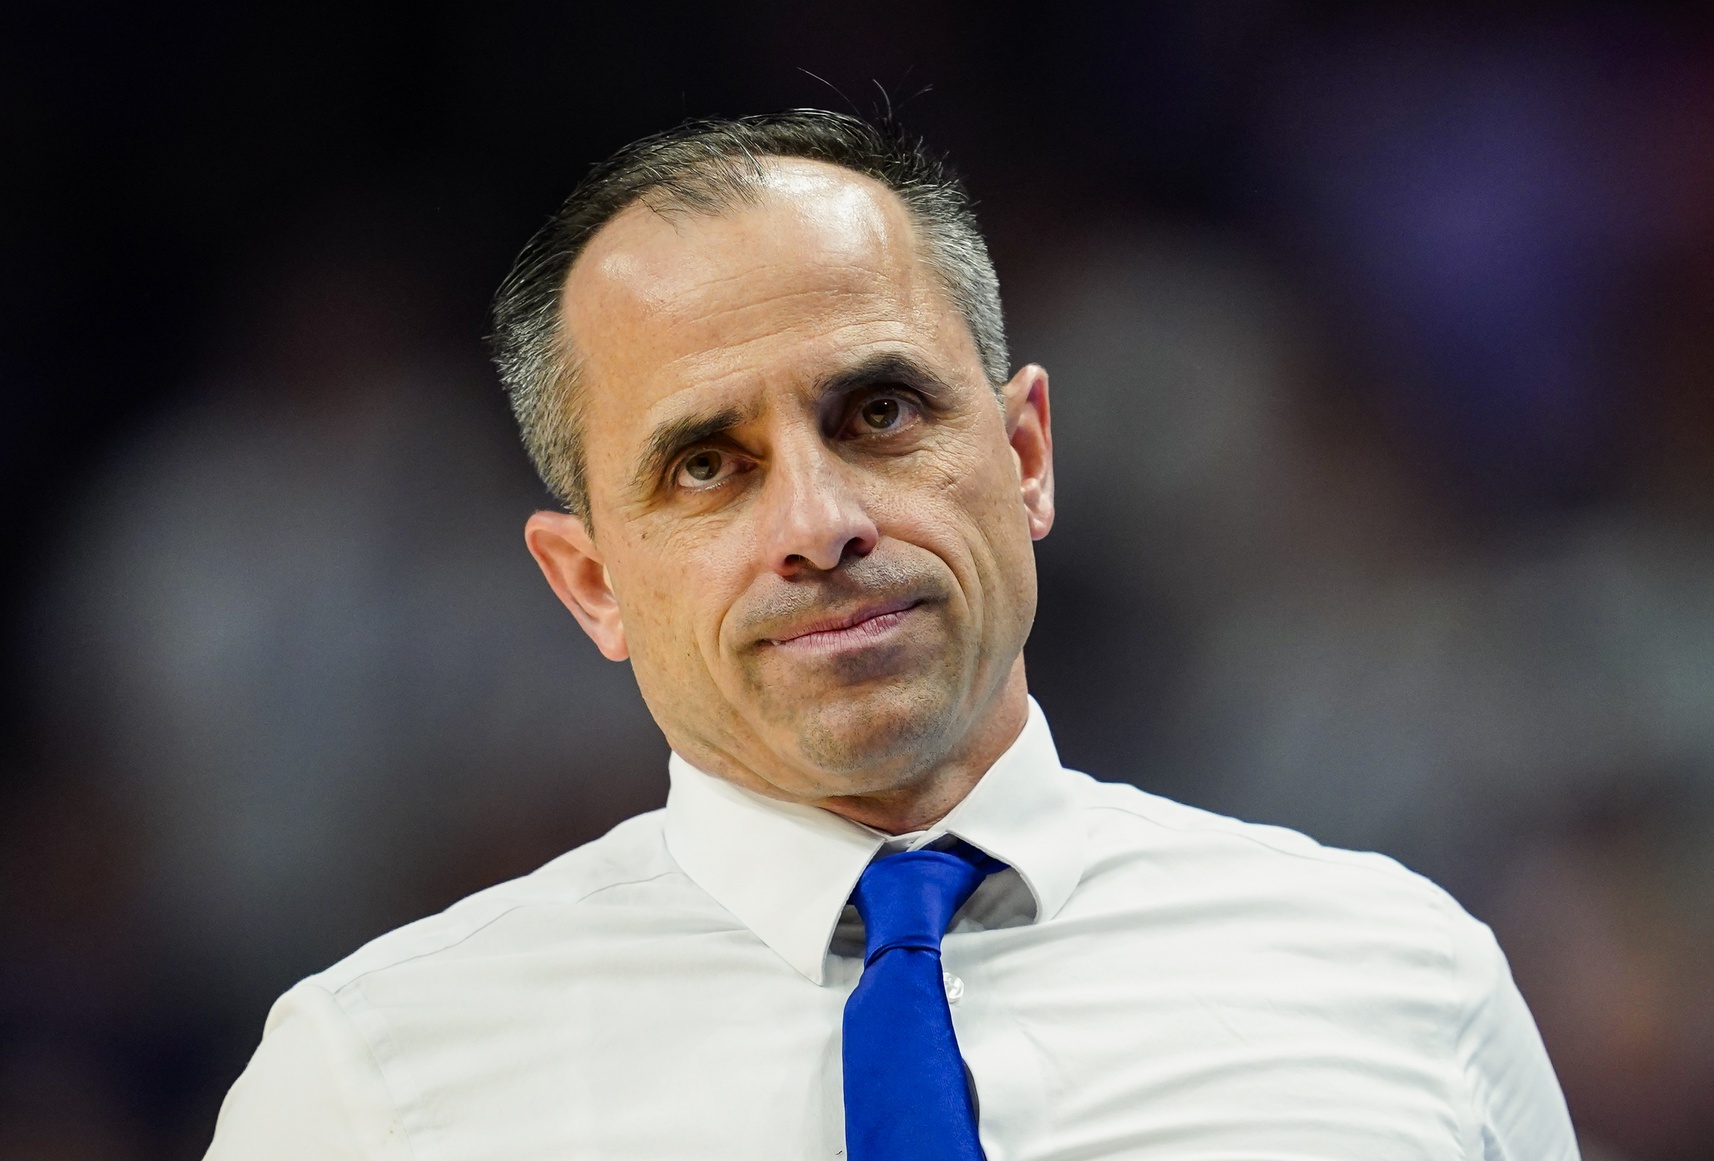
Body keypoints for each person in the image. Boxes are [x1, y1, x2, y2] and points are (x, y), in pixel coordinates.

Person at [203, 110, 1577, 1160]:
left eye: (878, 413)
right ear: (590, 584)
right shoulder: (373, 1084)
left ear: (1026, 452)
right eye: (703, 465)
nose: (816, 520)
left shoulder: (1400, 981)